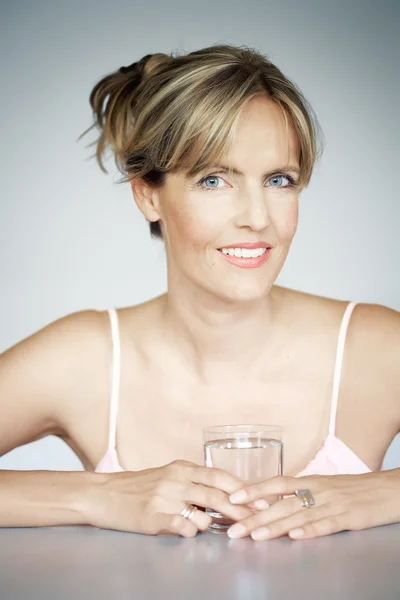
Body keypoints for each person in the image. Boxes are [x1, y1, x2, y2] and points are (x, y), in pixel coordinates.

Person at [0, 44, 399, 541]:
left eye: (279, 180)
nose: (257, 217)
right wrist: (96, 495)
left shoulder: (375, 348)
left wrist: (388, 491)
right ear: (148, 194)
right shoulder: (83, 358)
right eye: (214, 180)